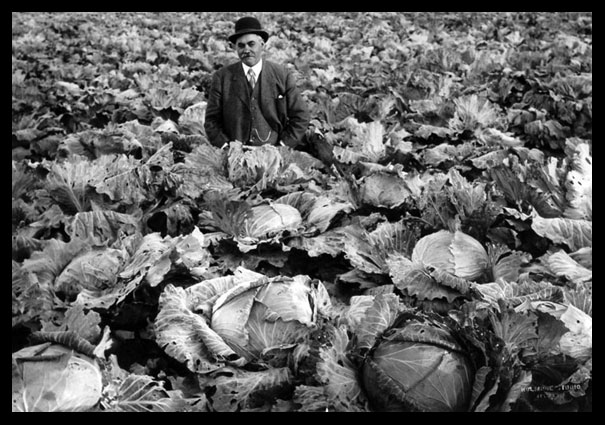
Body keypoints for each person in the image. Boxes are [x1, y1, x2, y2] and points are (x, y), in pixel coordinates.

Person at [204, 16, 334, 163]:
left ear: (262, 44)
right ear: (235, 48)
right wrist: (225, 147)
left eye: (251, 44)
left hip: (274, 156)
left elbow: (301, 116)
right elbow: (211, 121)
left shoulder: (281, 75)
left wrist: (283, 146)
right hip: (236, 158)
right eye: (241, 46)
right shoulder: (222, 77)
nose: (246, 50)